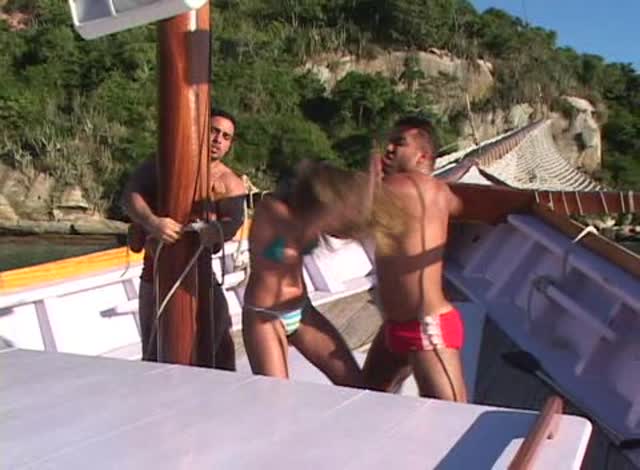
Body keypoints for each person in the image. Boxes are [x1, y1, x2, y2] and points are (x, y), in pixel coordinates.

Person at [123, 108, 246, 369]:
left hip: (202, 279)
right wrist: (152, 222)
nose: (218, 140)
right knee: (153, 355)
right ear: (201, 130)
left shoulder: (229, 182)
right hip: (155, 276)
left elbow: (234, 221)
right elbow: (130, 196)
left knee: (221, 350)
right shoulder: (161, 165)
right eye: (213, 131)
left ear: (230, 144)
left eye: (225, 137)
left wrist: (215, 231)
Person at [242, 160, 378, 387]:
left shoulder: (307, 218)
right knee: (276, 396)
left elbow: (340, 229)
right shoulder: (271, 210)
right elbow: (305, 232)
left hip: (302, 311)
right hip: (265, 316)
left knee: (355, 382)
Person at [362, 116, 467, 402]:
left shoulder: (396, 187)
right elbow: (459, 206)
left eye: (399, 143)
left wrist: (372, 171)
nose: (389, 149)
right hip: (397, 326)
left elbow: (356, 215)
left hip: (426, 329)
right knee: (368, 398)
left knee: (454, 417)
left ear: (422, 156)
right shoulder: (442, 192)